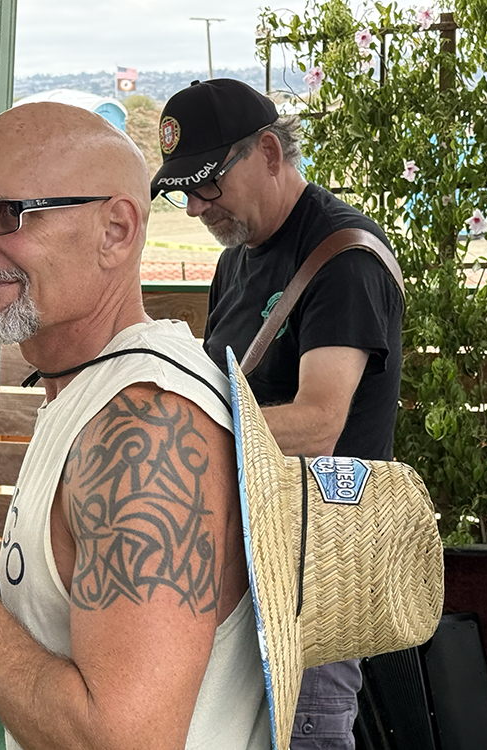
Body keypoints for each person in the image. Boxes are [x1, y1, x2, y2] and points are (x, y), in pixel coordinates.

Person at [0, 102, 270, 750]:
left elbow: (125, 742)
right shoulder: (93, 389)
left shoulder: (145, 424)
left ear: (116, 231)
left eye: (8, 214)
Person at [151, 79, 403, 749]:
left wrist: (177, 431)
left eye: (208, 184)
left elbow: (319, 422)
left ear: (268, 152)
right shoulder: (236, 258)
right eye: (183, 191)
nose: (196, 207)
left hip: (312, 571)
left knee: (305, 732)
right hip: (244, 560)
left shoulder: (344, 258)